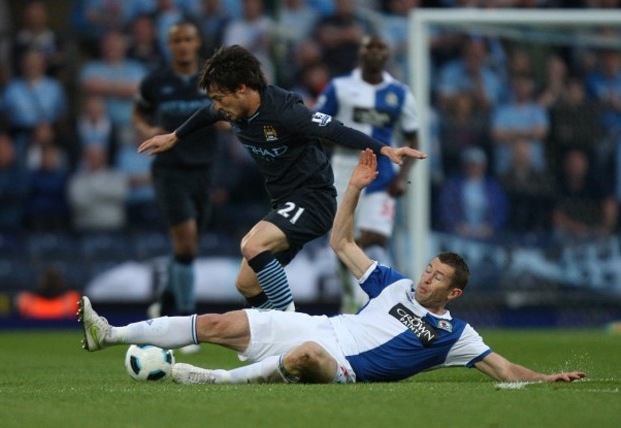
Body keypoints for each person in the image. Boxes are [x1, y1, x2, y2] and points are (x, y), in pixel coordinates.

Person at [78, 149, 587, 385]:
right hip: (319, 325)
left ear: (453, 294)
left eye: (437, 277)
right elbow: (341, 243)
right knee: (216, 323)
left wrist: (545, 379)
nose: (427, 276)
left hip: (342, 366)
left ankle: (210, 381)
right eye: (428, 268)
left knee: (306, 358)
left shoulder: (456, 336)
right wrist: (354, 190)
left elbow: (502, 369)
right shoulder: (396, 285)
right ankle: (110, 333)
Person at [138, 44, 426, 312]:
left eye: (219, 98)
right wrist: (174, 137)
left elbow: (334, 129)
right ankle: (281, 341)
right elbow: (208, 114)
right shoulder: (233, 108)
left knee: (252, 245)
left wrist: (385, 148)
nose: (218, 106)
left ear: (241, 88)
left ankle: (291, 323)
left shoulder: (285, 111)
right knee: (247, 284)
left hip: (313, 199)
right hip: (285, 202)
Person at [315, 34, 419, 313]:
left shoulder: (400, 93)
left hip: (382, 175)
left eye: (380, 47)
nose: (375, 52)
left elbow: (413, 137)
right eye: (369, 47)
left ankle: (371, 305)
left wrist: (402, 176)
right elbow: (316, 126)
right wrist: (348, 141)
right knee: (341, 241)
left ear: (388, 54)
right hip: (343, 172)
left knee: (374, 239)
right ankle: (350, 292)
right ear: (360, 54)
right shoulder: (340, 87)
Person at [132, 20, 218, 328]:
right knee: (186, 240)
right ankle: (185, 317)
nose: (182, 45)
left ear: (197, 44)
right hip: (169, 169)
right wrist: (147, 129)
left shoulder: (212, 81)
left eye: (188, 39)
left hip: (204, 169)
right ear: (170, 46)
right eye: (176, 40)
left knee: (189, 246)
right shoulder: (156, 82)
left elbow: (229, 113)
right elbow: (139, 112)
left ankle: (166, 301)